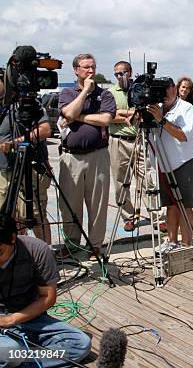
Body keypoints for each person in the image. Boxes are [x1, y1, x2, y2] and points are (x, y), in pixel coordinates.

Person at [0, 214, 91, 367]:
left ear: (13, 238)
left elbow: (48, 297)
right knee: (11, 350)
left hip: (30, 317)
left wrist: (11, 319)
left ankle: (20, 361)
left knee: (80, 343)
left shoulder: (37, 250)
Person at [58, 54, 116, 259]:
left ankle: (95, 245)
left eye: (93, 67)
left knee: (98, 204)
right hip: (71, 157)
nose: (91, 71)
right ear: (76, 70)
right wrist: (84, 92)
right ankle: (72, 244)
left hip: (98, 155)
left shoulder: (105, 95)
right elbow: (68, 112)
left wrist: (79, 117)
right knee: (69, 204)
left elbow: (106, 119)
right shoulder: (67, 92)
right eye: (86, 68)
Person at [145, 78, 193, 253]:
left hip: (183, 163)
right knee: (170, 206)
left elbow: (184, 135)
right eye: (157, 90)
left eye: (165, 90)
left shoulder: (186, 108)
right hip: (163, 164)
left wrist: (162, 120)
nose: (162, 94)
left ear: (174, 90)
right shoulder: (157, 108)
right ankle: (172, 241)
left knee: (185, 205)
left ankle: (186, 245)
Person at [108, 61, 158, 232]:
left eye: (123, 72)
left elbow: (149, 111)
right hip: (118, 140)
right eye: (117, 74)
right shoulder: (111, 92)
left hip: (139, 138)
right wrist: (132, 114)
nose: (120, 76)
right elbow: (109, 115)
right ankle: (128, 217)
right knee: (121, 181)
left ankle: (155, 215)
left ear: (130, 72)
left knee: (146, 179)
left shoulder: (139, 88)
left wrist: (123, 113)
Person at [0, 81, 52, 243]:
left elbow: (45, 130)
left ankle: (45, 254)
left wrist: (16, 143)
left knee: (34, 215)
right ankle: (20, 253)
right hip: (4, 170)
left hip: (30, 168)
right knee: (9, 216)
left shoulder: (26, 103)